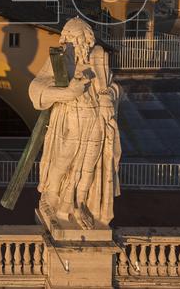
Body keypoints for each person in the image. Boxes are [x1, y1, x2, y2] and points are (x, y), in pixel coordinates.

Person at [30, 17, 120, 230]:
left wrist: (108, 95)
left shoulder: (98, 60)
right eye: (69, 38)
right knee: (64, 160)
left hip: (96, 120)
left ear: (88, 39)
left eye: (78, 39)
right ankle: (52, 197)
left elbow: (113, 87)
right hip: (71, 118)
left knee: (89, 164)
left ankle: (77, 203)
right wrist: (66, 92)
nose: (73, 43)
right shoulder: (60, 60)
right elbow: (36, 87)